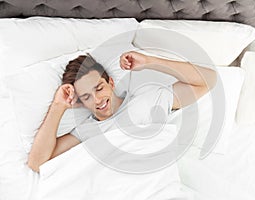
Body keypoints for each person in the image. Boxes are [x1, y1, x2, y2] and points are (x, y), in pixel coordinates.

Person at [27, 51, 217, 172]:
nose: (97, 100)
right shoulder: (87, 130)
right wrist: (58, 106)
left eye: (99, 88)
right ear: (80, 102)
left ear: (110, 82)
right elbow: (37, 164)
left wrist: (150, 61)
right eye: (86, 97)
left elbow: (208, 79)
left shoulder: (147, 98)